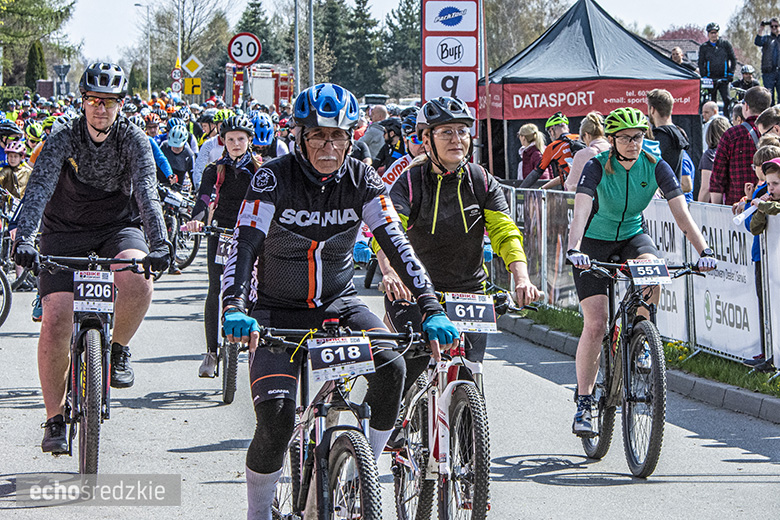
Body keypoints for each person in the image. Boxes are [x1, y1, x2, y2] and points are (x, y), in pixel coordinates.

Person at [219, 83, 459, 519]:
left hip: (338, 303)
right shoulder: (272, 178)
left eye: (338, 137)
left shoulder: (362, 179)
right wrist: (234, 306)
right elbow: (246, 244)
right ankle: (257, 512)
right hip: (277, 308)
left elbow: (397, 243)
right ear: (299, 137)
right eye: (317, 137)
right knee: (275, 420)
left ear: (352, 138)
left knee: (394, 366)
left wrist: (431, 306)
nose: (329, 147)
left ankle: (357, 471)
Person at [12, 62, 170, 454]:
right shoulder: (64, 135)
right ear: (83, 101)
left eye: (110, 101)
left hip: (116, 226)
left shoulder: (133, 139)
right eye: (95, 100)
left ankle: (116, 349)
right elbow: (40, 186)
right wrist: (26, 238)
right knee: (56, 317)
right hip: (63, 228)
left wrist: (161, 242)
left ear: (121, 104)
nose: (102, 109)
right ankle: (54, 417)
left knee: (138, 279)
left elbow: (147, 192)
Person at [374, 96, 541, 399]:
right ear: (427, 139)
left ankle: (469, 435)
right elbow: (388, 232)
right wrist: (390, 271)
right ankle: (394, 420)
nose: (456, 140)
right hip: (416, 290)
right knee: (411, 365)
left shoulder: (481, 180)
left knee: (469, 369)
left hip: (469, 291)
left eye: (462, 131)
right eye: (446, 132)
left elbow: (506, 232)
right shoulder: (410, 182)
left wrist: (522, 278)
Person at [566, 107, 717, 436]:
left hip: (633, 234)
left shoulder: (655, 163)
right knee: (596, 324)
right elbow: (581, 212)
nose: (633, 143)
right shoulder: (595, 167)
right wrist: (575, 248)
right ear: (612, 139)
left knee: (654, 269)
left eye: (638, 136)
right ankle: (585, 402)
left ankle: (642, 335)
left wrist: (703, 250)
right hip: (594, 241)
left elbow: (682, 213)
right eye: (625, 138)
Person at [184, 115, 258, 378]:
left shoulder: (261, 170)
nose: (235, 144)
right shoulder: (214, 169)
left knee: (255, 288)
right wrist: (196, 219)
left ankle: (256, 345)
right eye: (230, 139)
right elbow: (206, 197)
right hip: (221, 233)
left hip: (251, 233)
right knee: (216, 288)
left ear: (249, 140)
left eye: (240, 138)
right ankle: (211, 352)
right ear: (223, 142)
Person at [743, 144, 780, 371]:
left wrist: (764, 204)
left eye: (776, 184)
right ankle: (770, 353)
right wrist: (758, 208)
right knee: (766, 305)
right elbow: (755, 227)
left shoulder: (770, 202)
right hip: (767, 262)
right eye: (769, 183)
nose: (771, 188)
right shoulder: (766, 198)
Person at [710, 86, 771, 205]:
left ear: (746, 106)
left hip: (737, 207)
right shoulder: (774, 131)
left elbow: (718, 178)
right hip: (770, 208)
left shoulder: (732, 135)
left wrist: (716, 210)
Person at [520, 112, 584, 189]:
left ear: (552, 130)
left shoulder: (553, 147)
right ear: (567, 128)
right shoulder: (581, 139)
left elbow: (536, 173)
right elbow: (567, 174)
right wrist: (543, 188)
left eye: (549, 132)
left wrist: (520, 190)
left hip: (571, 192)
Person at [647, 88, 689, 185]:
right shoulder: (678, 133)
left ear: (652, 109)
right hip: (673, 192)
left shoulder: (660, 137)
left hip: (661, 195)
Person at [565, 112, 610, 192]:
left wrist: (573, 170)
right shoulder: (613, 149)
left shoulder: (583, 154)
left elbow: (571, 186)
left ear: (587, 135)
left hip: (593, 201)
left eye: (582, 138)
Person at [699, 23, 737, 114]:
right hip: (710, 78)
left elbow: (733, 59)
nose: (714, 35)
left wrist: (730, 74)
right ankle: (711, 120)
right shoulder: (704, 47)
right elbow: (700, 63)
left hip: (723, 78)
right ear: (708, 34)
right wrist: (704, 76)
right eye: (711, 33)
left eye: (715, 32)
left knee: (727, 99)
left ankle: (727, 119)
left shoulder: (725, 44)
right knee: (711, 102)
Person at [697, 115, 730, 202]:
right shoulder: (732, 153)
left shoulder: (709, 155)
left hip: (715, 206)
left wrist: (699, 210)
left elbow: (706, 188)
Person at [755, 18, 780, 105]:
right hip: (768, 72)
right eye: (772, 26)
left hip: (779, 71)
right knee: (769, 97)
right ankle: (771, 116)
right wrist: (761, 29)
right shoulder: (767, 39)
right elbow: (757, 42)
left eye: (776, 26)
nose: (774, 28)